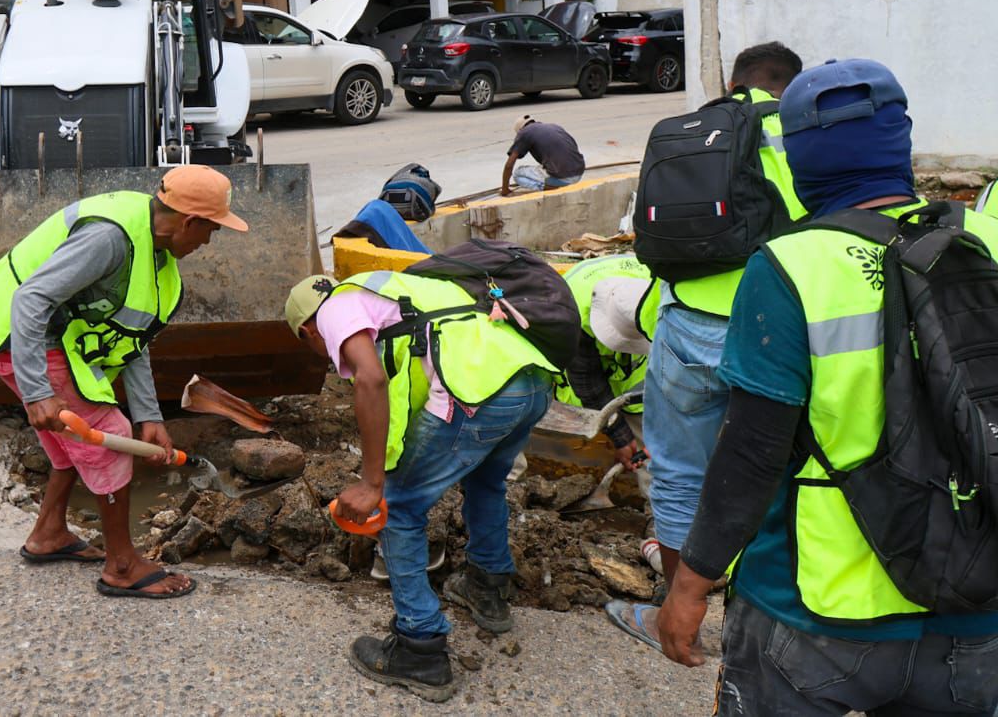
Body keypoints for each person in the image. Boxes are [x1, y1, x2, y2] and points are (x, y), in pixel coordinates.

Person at [657, 59, 998, 714]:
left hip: (814, 613)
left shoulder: (790, 266)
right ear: (899, 143)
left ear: (803, 160)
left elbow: (751, 453)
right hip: (973, 605)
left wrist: (690, 583)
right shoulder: (984, 241)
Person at [0, 165, 247, 600]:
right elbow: (31, 299)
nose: (207, 242)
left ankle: (49, 533)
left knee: (77, 440)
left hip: (52, 342)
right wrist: (37, 392)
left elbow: (132, 337)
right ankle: (123, 565)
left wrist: (148, 414)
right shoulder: (110, 239)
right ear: (190, 221)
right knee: (107, 434)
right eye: (211, 231)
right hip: (21, 338)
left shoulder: (155, 253)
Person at [606, 41, 807, 650]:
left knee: (676, 472)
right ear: (788, 86)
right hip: (774, 321)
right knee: (790, 467)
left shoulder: (689, 130)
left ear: (733, 80)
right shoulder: (792, 126)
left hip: (685, 320)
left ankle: (680, 623)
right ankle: (779, 620)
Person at [284, 269, 557, 702]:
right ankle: (487, 590)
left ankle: (420, 648)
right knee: (485, 483)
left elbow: (371, 379)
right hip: (531, 382)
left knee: (399, 507)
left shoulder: (334, 309)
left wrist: (373, 481)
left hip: (475, 394)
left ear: (307, 330)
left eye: (315, 347)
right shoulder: (398, 292)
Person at [559, 256, 660, 470]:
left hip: (639, 372)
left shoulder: (659, 290)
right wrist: (621, 437)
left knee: (653, 445)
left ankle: (653, 499)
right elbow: (587, 381)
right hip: (580, 343)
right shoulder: (571, 313)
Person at [501, 116, 584, 195]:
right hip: (579, 173)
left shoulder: (524, 133)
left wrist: (505, 190)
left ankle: (549, 188)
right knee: (543, 167)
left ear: (520, 130)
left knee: (518, 173)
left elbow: (509, 165)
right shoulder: (554, 127)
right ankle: (555, 182)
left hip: (564, 179)